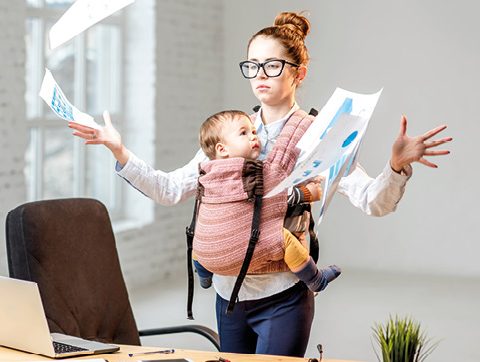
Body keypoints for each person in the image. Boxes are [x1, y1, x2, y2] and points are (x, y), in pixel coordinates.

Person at [68, 11, 451, 357]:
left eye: (272, 65)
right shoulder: (230, 133)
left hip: (282, 297)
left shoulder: (320, 135)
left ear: (298, 73)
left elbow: (374, 201)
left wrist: (396, 166)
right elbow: (169, 189)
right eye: (252, 66)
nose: (260, 75)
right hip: (228, 297)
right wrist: (119, 151)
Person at [192, 109, 341, 293]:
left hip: (207, 256)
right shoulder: (248, 171)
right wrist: (306, 193)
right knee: (285, 239)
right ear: (222, 149)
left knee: (201, 234)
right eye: (243, 133)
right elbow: (271, 196)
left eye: (254, 132)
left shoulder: (206, 173)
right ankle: (315, 279)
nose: (253, 137)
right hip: (239, 255)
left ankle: (204, 276)